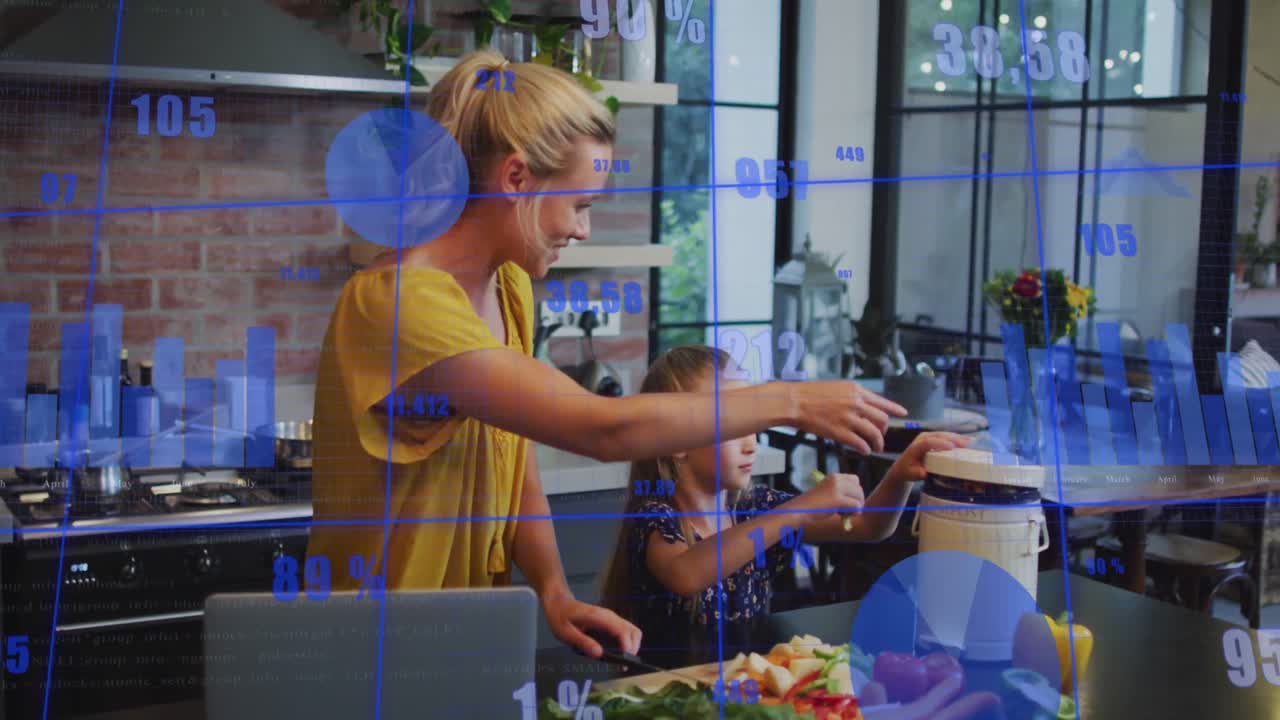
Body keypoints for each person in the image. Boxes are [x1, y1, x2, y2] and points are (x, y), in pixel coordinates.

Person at [305, 50, 908, 660]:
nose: (584, 229)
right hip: (374, 649)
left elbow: (516, 461)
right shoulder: (399, 303)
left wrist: (553, 589)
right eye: (581, 204)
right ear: (516, 179)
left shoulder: (508, 289)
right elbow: (605, 429)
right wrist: (794, 400)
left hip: (462, 634)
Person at [599, 346, 970, 655]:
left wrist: (902, 472)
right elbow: (686, 573)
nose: (751, 442)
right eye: (731, 426)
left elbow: (870, 526)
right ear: (676, 442)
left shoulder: (752, 507)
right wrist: (801, 507)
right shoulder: (655, 517)